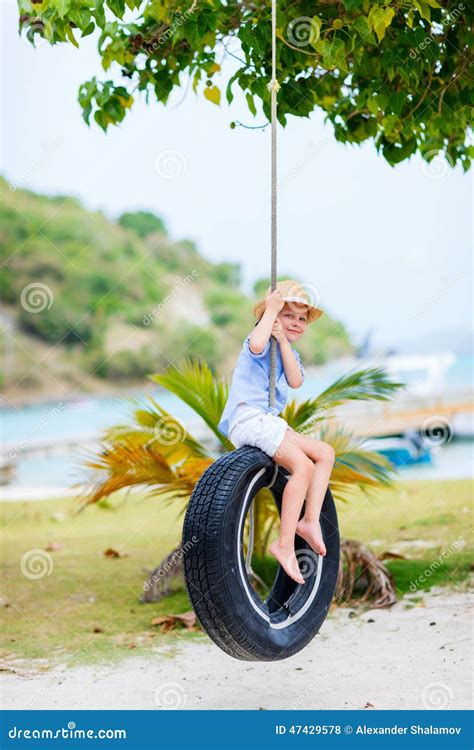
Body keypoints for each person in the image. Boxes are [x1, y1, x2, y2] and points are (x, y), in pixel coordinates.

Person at [217, 279, 336, 585]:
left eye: (301, 319)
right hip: (248, 418)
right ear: (273, 316)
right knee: (302, 467)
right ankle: (284, 545)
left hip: (267, 421)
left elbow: (296, 381)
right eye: (289, 315)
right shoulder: (259, 341)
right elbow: (257, 344)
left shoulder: (285, 350)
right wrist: (271, 313)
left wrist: (284, 341)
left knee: (325, 453)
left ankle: (309, 521)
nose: (296, 323)